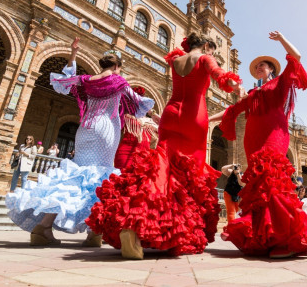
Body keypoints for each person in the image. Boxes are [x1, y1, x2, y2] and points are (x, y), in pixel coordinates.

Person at [86, 33, 243, 259]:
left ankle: (133, 224)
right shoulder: (206, 58)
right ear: (207, 46)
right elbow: (221, 77)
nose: (213, 54)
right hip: (194, 117)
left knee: (161, 167)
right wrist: (234, 84)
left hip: (171, 113)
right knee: (189, 175)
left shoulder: (176, 60)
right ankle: (174, 230)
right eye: (212, 50)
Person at [5, 37, 154, 247]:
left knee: (75, 175)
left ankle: (44, 227)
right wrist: (154, 116)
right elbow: (137, 103)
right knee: (100, 177)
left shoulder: (86, 81)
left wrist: (73, 53)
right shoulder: (119, 81)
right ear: (117, 67)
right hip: (106, 129)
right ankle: (94, 232)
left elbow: (64, 81)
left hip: (84, 129)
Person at [213, 31, 307, 258]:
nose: (259, 68)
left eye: (263, 65)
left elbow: (296, 57)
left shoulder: (280, 83)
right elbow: (230, 111)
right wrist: (203, 120)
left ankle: (286, 239)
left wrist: (282, 39)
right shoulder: (252, 93)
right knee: (260, 189)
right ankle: (268, 237)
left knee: (272, 181)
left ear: (272, 70)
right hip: (252, 141)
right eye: (257, 66)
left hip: (274, 136)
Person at [113, 86, 160, 169]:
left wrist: (152, 113)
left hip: (144, 159)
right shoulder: (126, 116)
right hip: (124, 154)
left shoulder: (152, 122)